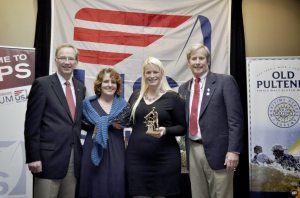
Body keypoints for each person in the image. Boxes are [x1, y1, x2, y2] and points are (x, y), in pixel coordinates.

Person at [178, 43, 244, 198]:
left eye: (201, 58)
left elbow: (236, 120)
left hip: (220, 152)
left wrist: (233, 151)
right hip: (193, 149)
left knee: (222, 194)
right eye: (194, 58)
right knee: (198, 194)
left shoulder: (225, 82)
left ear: (208, 61)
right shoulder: (183, 89)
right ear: (188, 63)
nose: (197, 62)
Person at [24, 43, 86, 198]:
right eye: (63, 58)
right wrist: (33, 157)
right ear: (56, 60)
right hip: (47, 159)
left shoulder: (80, 88)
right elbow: (32, 125)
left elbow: (76, 122)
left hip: (73, 159)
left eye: (70, 58)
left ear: (76, 62)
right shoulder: (42, 84)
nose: (67, 62)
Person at [126, 57, 186, 198]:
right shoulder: (135, 97)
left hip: (165, 159)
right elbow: (128, 122)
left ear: (161, 74)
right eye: (148, 73)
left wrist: (166, 130)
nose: (152, 76)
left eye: (155, 72)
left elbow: (183, 127)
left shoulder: (173, 97)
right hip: (136, 159)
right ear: (144, 75)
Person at [79, 68, 130, 198]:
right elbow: (82, 125)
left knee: (115, 185)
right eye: (106, 81)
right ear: (99, 84)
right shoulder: (87, 104)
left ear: (117, 85)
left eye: (113, 82)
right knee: (92, 186)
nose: (109, 85)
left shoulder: (124, 106)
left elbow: (125, 124)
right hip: (92, 147)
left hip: (116, 150)